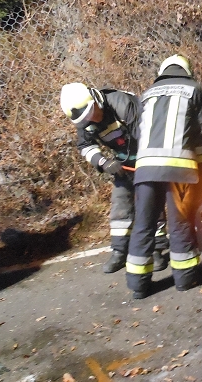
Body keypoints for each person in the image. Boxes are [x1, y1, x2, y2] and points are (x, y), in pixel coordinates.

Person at [125, 54, 202, 298]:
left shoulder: (147, 93)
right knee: (180, 222)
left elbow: (139, 132)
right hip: (179, 168)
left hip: (146, 167)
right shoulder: (196, 89)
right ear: (187, 70)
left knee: (143, 223)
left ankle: (138, 286)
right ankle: (184, 279)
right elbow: (201, 133)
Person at [60, 82, 147, 273]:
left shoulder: (121, 103)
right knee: (120, 203)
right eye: (86, 118)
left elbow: (144, 135)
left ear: (95, 101)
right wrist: (104, 162)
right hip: (123, 163)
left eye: (91, 113)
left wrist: (145, 164)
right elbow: (85, 146)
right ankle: (119, 251)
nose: (91, 119)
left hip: (146, 157)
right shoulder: (84, 121)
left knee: (149, 200)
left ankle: (157, 249)